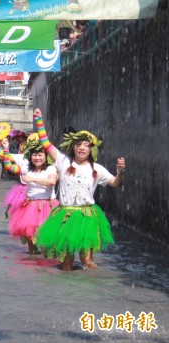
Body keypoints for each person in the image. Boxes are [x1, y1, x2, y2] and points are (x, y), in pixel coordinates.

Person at [32, 108, 125, 271]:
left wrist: (120, 173)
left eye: (86, 145)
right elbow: (46, 143)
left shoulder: (97, 168)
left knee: (87, 261)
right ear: (73, 147)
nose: (82, 148)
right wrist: (39, 121)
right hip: (65, 216)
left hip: (86, 217)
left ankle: (89, 292)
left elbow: (115, 183)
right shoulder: (63, 160)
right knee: (66, 263)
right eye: (79, 144)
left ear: (91, 150)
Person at [0, 134, 59, 254]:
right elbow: (9, 166)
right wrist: (6, 149)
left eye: (40, 155)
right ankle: (32, 261)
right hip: (31, 206)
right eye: (35, 155)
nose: (37, 158)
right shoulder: (27, 169)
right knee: (31, 240)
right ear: (30, 156)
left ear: (46, 156)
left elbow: (51, 182)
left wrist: (32, 179)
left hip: (47, 205)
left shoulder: (50, 169)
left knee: (46, 239)